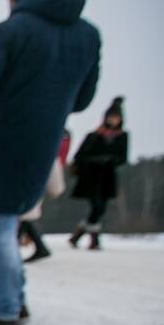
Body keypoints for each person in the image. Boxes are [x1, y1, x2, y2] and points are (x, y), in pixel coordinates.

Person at [0, 0, 101, 325]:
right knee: (11, 225)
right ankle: (14, 301)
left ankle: (6, 309)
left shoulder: (10, 32)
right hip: (43, 147)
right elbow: (82, 100)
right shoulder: (87, 36)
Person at [69, 97, 129, 250]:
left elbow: (123, 158)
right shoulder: (94, 135)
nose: (113, 120)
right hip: (91, 176)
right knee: (97, 206)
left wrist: (110, 160)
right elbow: (80, 155)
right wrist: (96, 159)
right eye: (111, 117)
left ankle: (78, 235)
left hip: (107, 177)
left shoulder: (122, 136)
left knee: (101, 208)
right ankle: (94, 239)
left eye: (116, 118)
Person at [20, 128, 71, 262]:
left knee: (25, 215)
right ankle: (37, 246)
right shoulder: (54, 133)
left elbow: (55, 162)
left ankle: (37, 247)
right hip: (33, 179)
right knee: (25, 216)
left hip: (33, 180)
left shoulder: (51, 138)